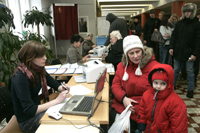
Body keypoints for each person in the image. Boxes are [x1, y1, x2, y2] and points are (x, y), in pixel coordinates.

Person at [11, 40, 70, 132]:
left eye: (45, 55)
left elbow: (53, 83)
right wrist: (57, 100)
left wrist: (63, 88)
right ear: (30, 57)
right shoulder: (20, 77)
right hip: (27, 121)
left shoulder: (38, 69)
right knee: (63, 122)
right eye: (41, 56)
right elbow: (30, 110)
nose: (45, 58)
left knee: (66, 113)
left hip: (37, 110)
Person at [109, 35, 159, 133]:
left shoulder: (154, 66)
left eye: (138, 52)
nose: (135, 56)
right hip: (124, 104)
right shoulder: (122, 66)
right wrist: (124, 98)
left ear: (142, 51)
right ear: (126, 54)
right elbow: (115, 85)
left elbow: (156, 92)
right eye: (131, 53)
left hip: (143, 108)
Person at [137, 64, 188, 133]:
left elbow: (179, 125)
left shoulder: (176, 102)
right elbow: (142, 110)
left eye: (162, 84)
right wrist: (142, 123)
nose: (158, 86)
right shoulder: (147, 95)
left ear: (169, 84)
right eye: (155, 83)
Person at [169, 3, 200, 98]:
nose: (187, 13)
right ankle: (171, 88)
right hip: (178, 51)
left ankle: (190, 89)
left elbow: (198, 40)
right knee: (175, 70)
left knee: (190, 71)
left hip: (190, 52)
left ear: (192, 12)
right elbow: (174, 36)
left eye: (189, 11)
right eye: (185, 11)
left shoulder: (196, 24)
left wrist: (195, 53)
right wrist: (171, 47)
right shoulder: (179, 23)